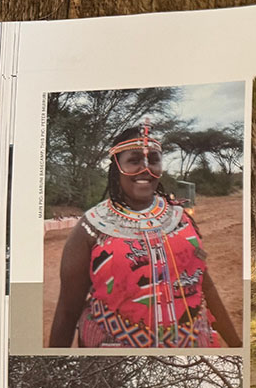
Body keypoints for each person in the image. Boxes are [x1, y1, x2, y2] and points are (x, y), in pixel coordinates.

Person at [47, 122, 241, 348]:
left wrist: (237, 345)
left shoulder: (181, 219)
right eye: (134, 160)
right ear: (117, 166)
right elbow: (68, 310)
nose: (145, 170)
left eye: (154, 160)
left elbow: (204, 285)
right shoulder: (91, 227)